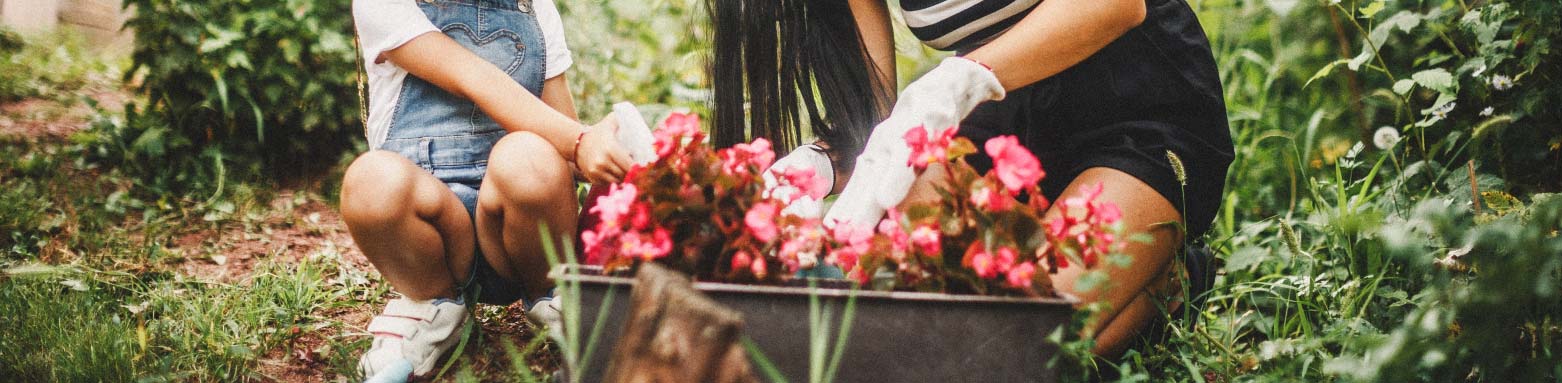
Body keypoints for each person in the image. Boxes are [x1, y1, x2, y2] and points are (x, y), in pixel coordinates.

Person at [715, 0, 1233, 357]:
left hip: (1139, 108)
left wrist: (955, 81)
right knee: (941, 325)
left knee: (1027, 340)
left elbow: (1118, 5)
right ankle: (1135, 280)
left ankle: (1170, 280)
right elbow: (869, 122)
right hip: (1004, 119)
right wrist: (814, 168)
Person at [343, 0, 644, 379]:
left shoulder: (535, 8)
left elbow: (565, 141)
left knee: (529, 155)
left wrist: (616, 149)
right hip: (432, 229)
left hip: (515, 234)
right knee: (370, 181)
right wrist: (581, 141)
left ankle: (551, 298)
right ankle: (433, 305)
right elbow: (473, 76)